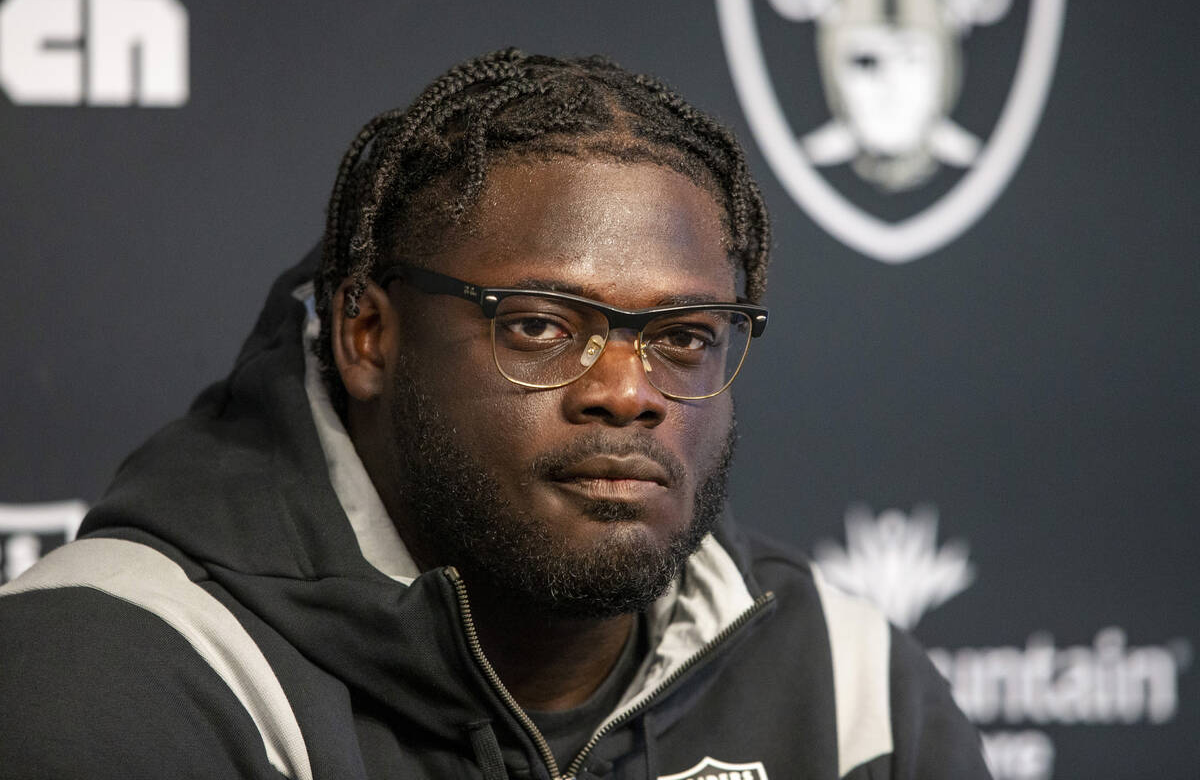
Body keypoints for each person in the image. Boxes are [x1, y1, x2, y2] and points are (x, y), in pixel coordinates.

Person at [0, 49, 989, 780]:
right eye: (541, 325)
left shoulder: (852, 689)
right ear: (368, 334)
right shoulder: (120, 667)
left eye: (683, 335)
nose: (627, 389)